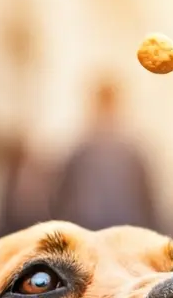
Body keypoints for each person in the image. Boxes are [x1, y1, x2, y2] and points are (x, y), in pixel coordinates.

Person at [51, 80, 159, 232]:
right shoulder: (131, 149)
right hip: (122, 230)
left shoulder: (83, 149)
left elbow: (61, 199)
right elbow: (148, 204)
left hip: (91, 230)